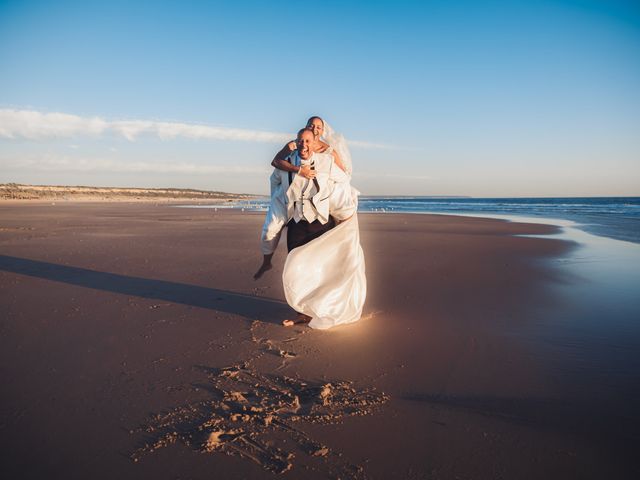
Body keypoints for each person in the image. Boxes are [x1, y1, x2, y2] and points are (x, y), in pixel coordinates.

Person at [253, 116, 351, 280]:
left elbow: (343, 176)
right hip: (294, 211)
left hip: (319, 213)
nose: (314, 128)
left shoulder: (328, 155)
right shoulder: (289, 155)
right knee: (272, 234)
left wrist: (326, 193)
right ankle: (267, 261)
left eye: (318, 127)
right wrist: (282, 195)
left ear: (318, 137)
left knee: (321, 264)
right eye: (311, 125)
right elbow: (275, 169)